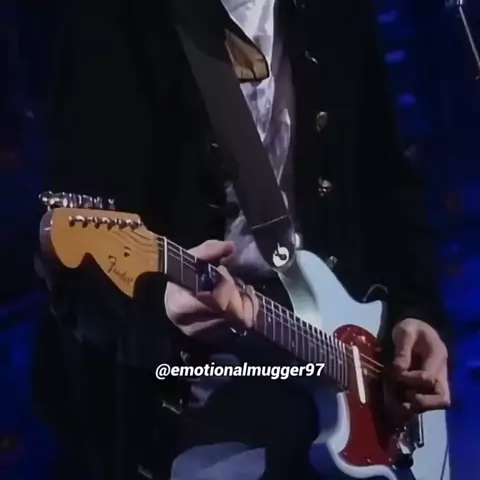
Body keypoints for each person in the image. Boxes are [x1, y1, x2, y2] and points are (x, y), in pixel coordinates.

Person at [30, 0, 450, 479]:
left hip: (350, 366)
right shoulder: (112, 23)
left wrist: (417, 310)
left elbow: (387, 180)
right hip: (203, 389)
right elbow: (74, 263)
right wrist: (159, 306)